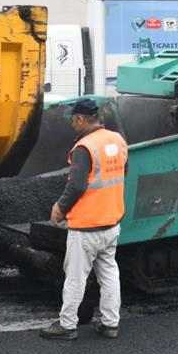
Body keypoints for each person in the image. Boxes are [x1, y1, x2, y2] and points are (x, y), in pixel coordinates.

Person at [39, 99, 127, 340]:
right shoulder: (117, 140)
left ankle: (67, 325)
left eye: (72, 120)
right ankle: (110, 323)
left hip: (87, 225)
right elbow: (123, 171)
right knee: (109, 272)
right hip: (111, 222)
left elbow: (76, 185)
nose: (71, 124)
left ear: (81, 119)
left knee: (76, 277)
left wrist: (60, 207)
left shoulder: (84, 147)